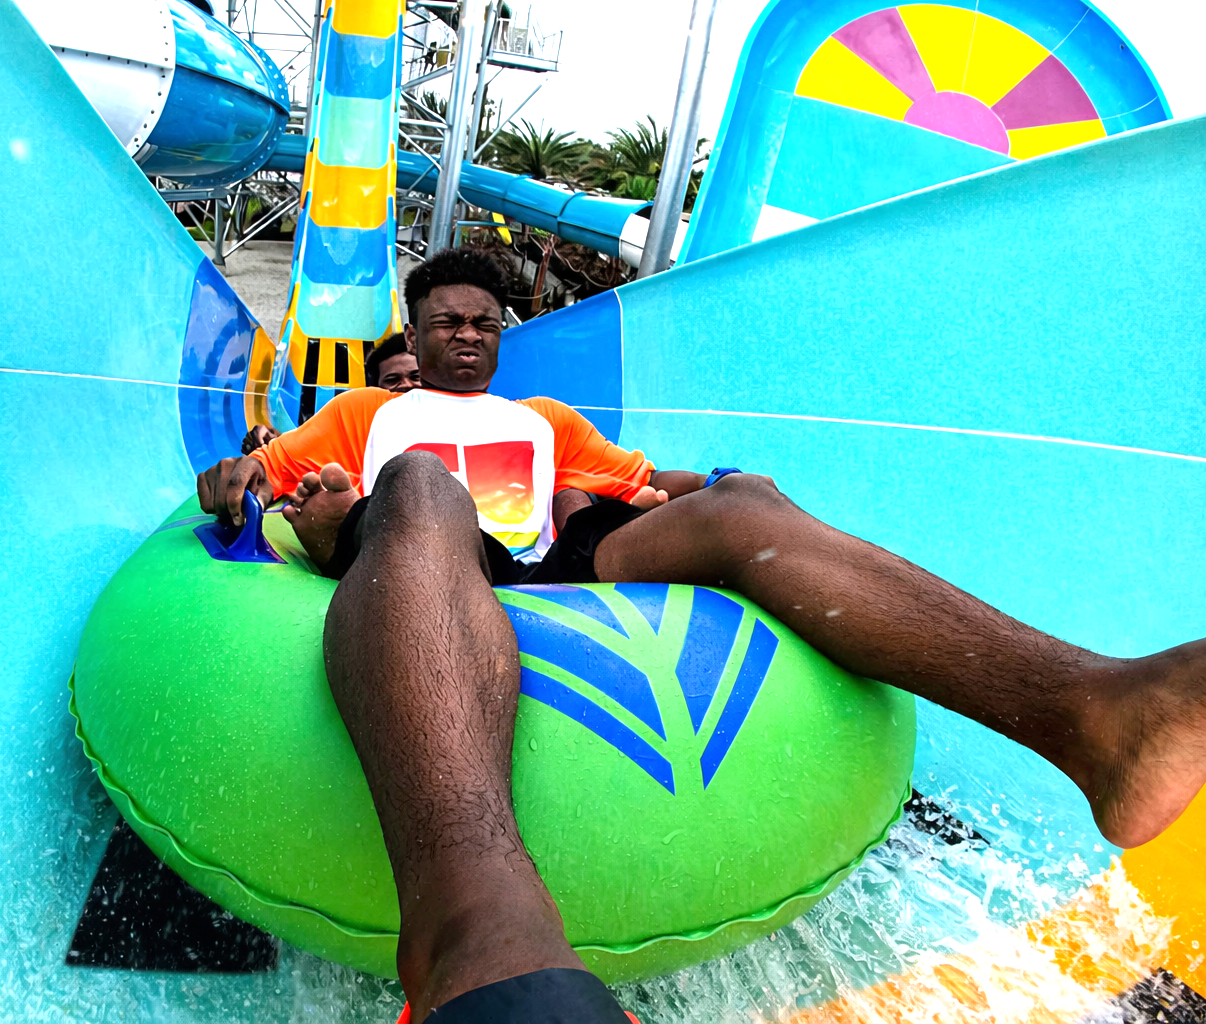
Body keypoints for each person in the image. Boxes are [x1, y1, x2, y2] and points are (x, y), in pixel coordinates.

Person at [197, 248, 1206, 1022]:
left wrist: (726, 486)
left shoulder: (546, 420)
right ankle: (472, 938)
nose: (467, 337)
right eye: (447, 323)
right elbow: (269, 474)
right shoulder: (365, 413)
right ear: (415, 333)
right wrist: (250, 482)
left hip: (547, 558)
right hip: (423, 548)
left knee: (738, 508)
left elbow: (644, 482)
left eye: (484, 323)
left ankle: (1095, 715)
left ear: (504, 337)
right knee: (423, 481)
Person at [239, 334, 423, 455]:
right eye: (392, 380)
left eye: (416, 376)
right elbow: (314, 448)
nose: (406, 385)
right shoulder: (361, 429)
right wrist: (273, 443)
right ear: (376, 388)